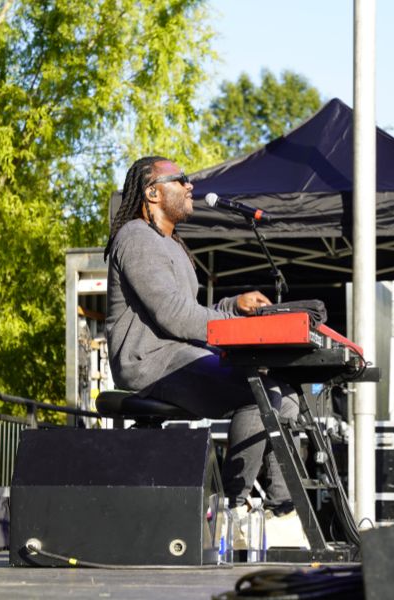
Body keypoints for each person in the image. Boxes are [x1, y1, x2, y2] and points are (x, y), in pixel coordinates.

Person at [104, 155, 308, 548]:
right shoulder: (136, 238)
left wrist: (235, 307)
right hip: (151, 364)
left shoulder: (173, 247)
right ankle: (231, 506)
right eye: (181, 180)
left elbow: (193, 316)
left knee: (286, 394)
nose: (190, 186)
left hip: (181, 355)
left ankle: (282, 508)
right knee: (257, 390)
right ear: (152, 192)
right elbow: (174, 317)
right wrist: (239, 331)